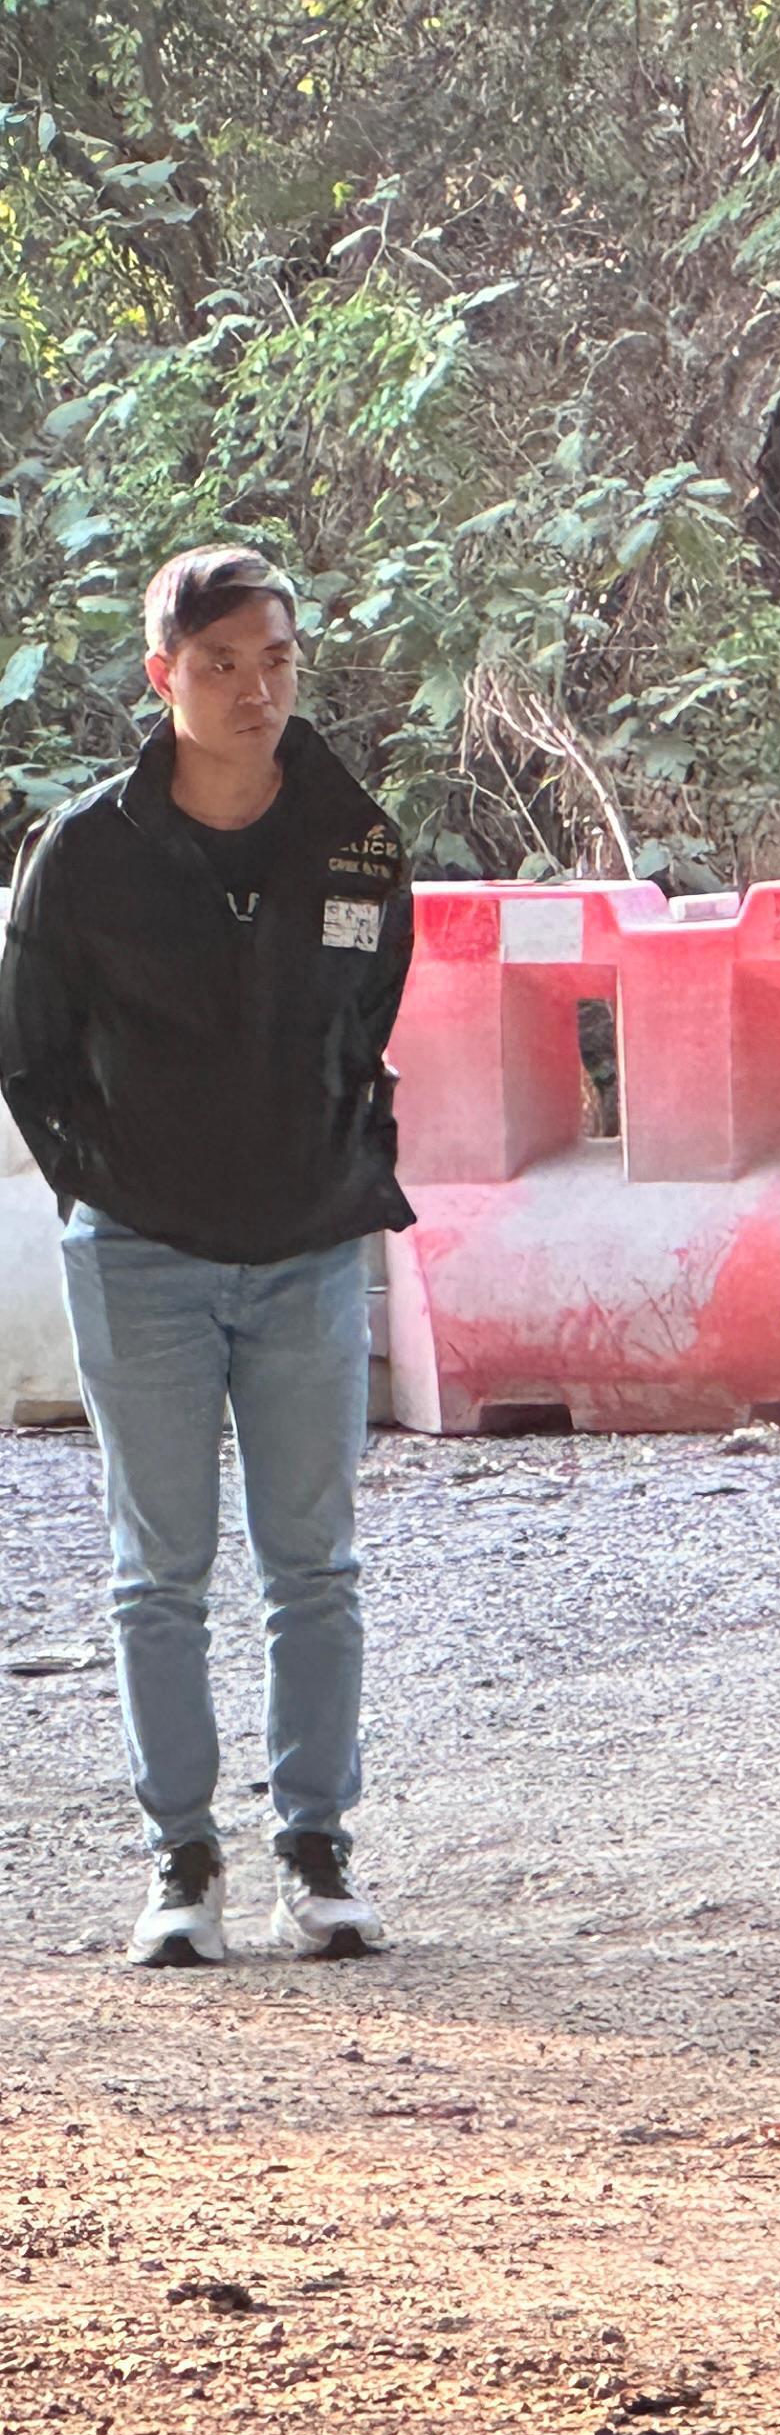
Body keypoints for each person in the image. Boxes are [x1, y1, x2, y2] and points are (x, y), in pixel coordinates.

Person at [0, 547, 411, 1970]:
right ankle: (182, 1862)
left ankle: (318, 1850)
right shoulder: (89, 853)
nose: (254, 691)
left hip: (307, 1245)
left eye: (277, 661)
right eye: (222, 665)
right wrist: (107, 1192)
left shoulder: (354, 834)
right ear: (162, 676)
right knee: (156, 1567)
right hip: (143, 1255)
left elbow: (368, 1012)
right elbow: (32, 1053)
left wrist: (323, 1151)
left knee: (316, 1561)